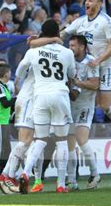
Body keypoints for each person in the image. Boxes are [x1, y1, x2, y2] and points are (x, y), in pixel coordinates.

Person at [62, 0, 111, 157]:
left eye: (90, 0)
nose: (86, 2)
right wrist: (45, 39)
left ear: (99, 4)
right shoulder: (80, 22)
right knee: (101, 105)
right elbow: (64, 33)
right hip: (93, 66)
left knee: (105, 105)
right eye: (86, 0)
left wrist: (99, 60)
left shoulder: (106, 21)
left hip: (108, 65)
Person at [16, 19, 76, 194]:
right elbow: (71, 74)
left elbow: (19, 71)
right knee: (62, 141)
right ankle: (60, 184)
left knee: (40, 140)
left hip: (40, 96)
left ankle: (26, 173)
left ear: (42, 33)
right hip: (60, 95)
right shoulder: (67, 52)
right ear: (58, 33)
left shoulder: (33, 51)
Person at [66, 35, 101, 191]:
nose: (70, 48)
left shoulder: (91, 62)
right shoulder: (68, 60)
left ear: (82, 47)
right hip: (69, 105)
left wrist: (78, 83)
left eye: (73, 45)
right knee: (70, 145)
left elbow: (95, 84)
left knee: (81, 138)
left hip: (85, 106)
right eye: (70, 45)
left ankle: (95, 173)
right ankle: (72, 181)